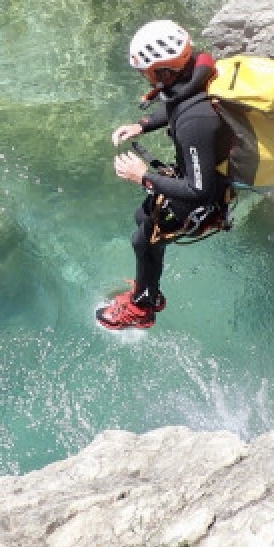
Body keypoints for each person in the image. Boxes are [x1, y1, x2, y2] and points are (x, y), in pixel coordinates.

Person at [98, 19, 235, 331]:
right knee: (142, 220)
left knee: (144, 239)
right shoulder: (197, 77)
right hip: (204, 172)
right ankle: (148, 284)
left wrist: (142, 176)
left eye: (146, 71)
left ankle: (143, 306)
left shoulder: (195, 121)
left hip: (204, 198)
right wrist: (143, 125)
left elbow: (198, 190)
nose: (144, 78)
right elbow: (176, 104)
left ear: (163, 71)